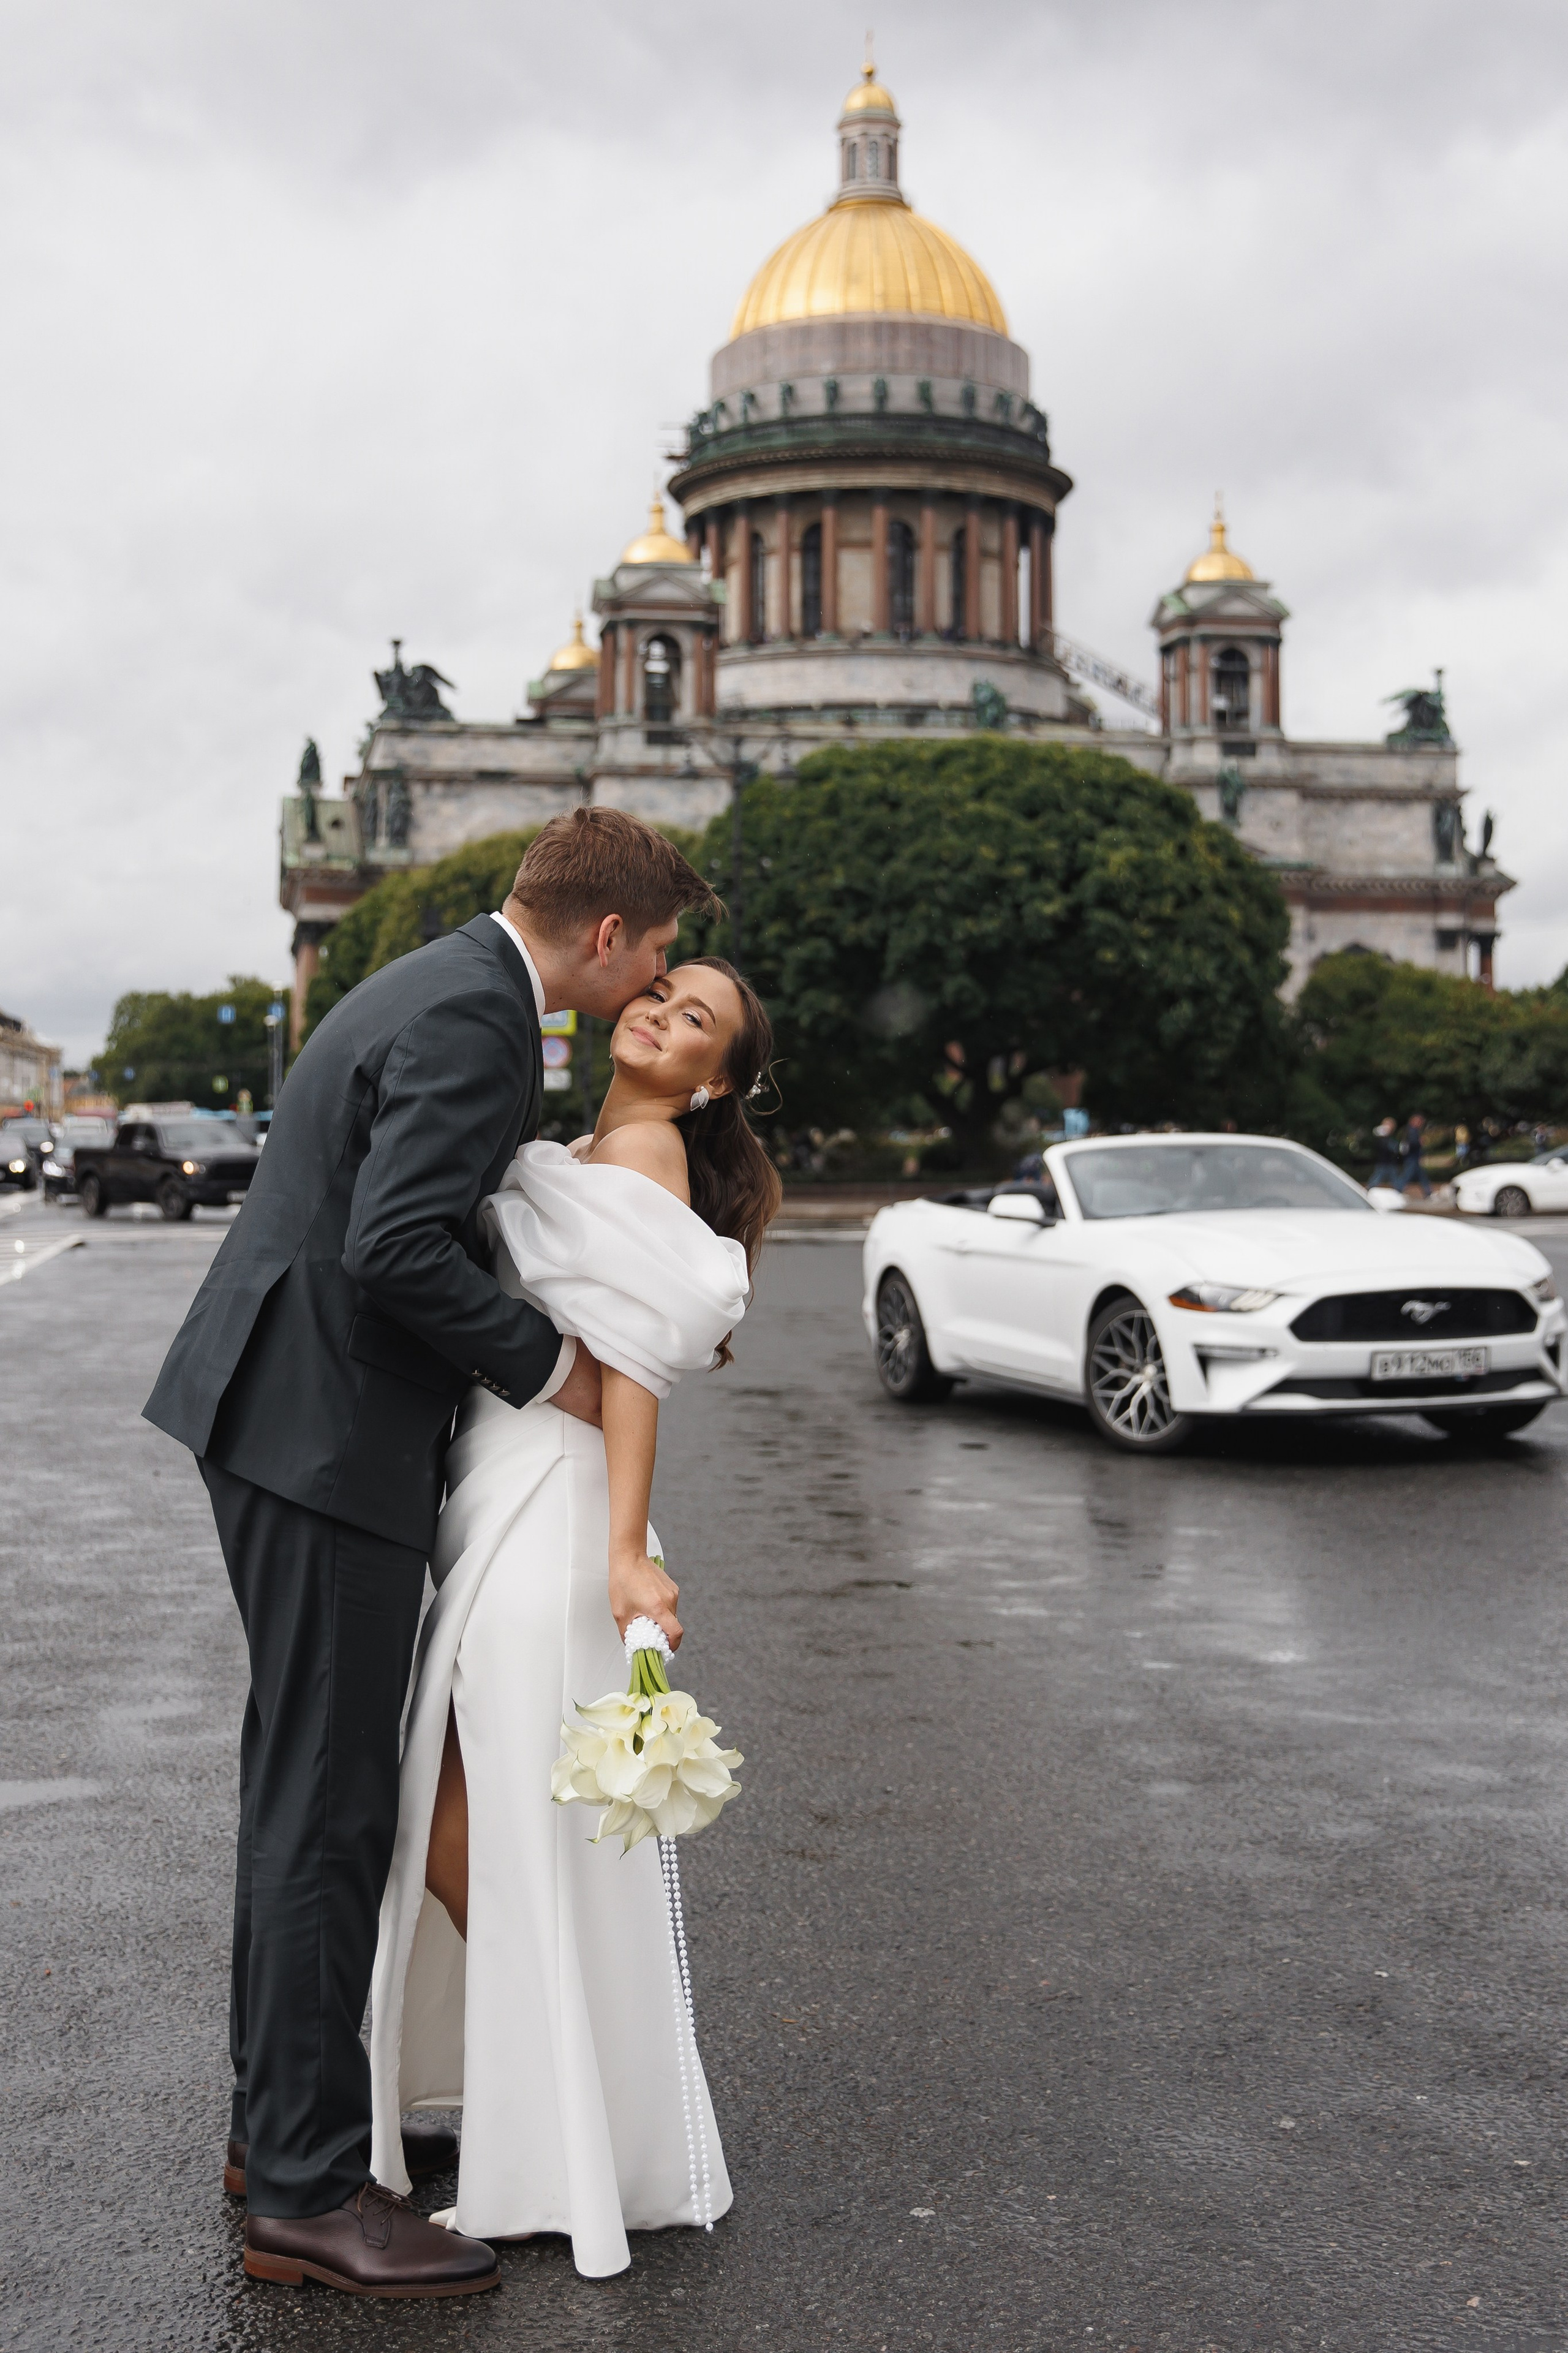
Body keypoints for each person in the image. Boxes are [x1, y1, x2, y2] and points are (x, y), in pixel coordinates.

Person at [142, 808, 720, 2298]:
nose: (654, 975)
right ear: (606, 934)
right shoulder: (477, 1016)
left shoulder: (448, 979)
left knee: (308, 1790)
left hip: (287, 1410)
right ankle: (308, 2190)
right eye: (656, 951)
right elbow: (396, 1246)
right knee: (326, 1806)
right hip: (323, 1429)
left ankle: (274, 2131)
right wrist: (561, 1372)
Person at [368, 956, 780, 2276]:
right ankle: (562, 2092)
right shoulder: (599, 1138)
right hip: (504, 1483)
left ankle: (559, 2104)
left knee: (461, 1818)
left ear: (711, 1078)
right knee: (478, 1817)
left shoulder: (647, 1149)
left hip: (558, 1510)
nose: (660, 1011)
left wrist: (622, 1549)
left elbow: (635, 1366)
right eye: (661, 990)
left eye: (695, 1018)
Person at [1400, 1111, 1431, 1198]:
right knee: (1407, 1175)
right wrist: (1420, 1142)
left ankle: (1428, 1193)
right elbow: (1412, 1143)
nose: (1421, 1123)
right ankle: (1398, 1191)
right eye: (1419, 1121)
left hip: (1413, 1157)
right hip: (1412, 1157)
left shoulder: (1411, 1130)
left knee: (1421, 1176)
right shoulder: (1412, 1131)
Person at [1369, 1117, 1401, 1190]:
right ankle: (1369, 1189)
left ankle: (1399, 1190)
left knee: (1394, 1178)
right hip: (1383, 1162)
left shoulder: (1389, 1138)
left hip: (1389, 1162)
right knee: (1377, 1177)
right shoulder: (1381, 1136)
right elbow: (1383, 1146)